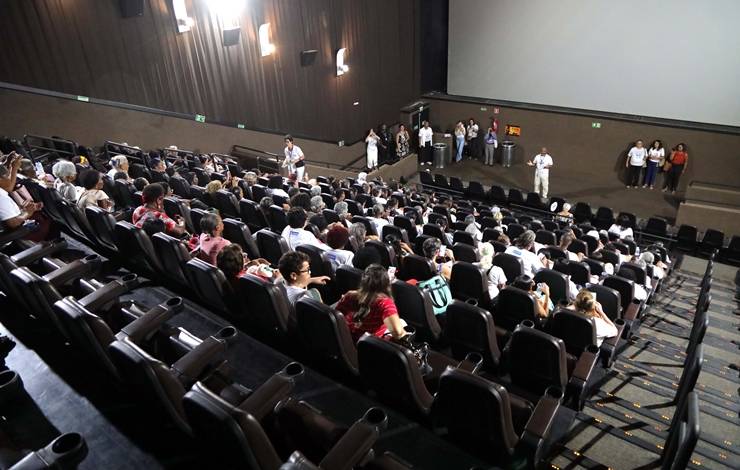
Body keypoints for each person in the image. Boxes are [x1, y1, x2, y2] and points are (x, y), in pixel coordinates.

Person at [336, 264, 407, 341]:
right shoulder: (385, 303)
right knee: (402, 323)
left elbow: (337, 317)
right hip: (368, 345)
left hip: (347, 340)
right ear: (386, 284)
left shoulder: (349, 295)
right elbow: (398, 333)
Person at [0, 153, 43, 231]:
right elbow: (13, 223)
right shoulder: (1, 197)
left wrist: (24, 210)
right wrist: (27, 212)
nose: (11, 179)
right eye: (7, 176)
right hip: (18, 233)